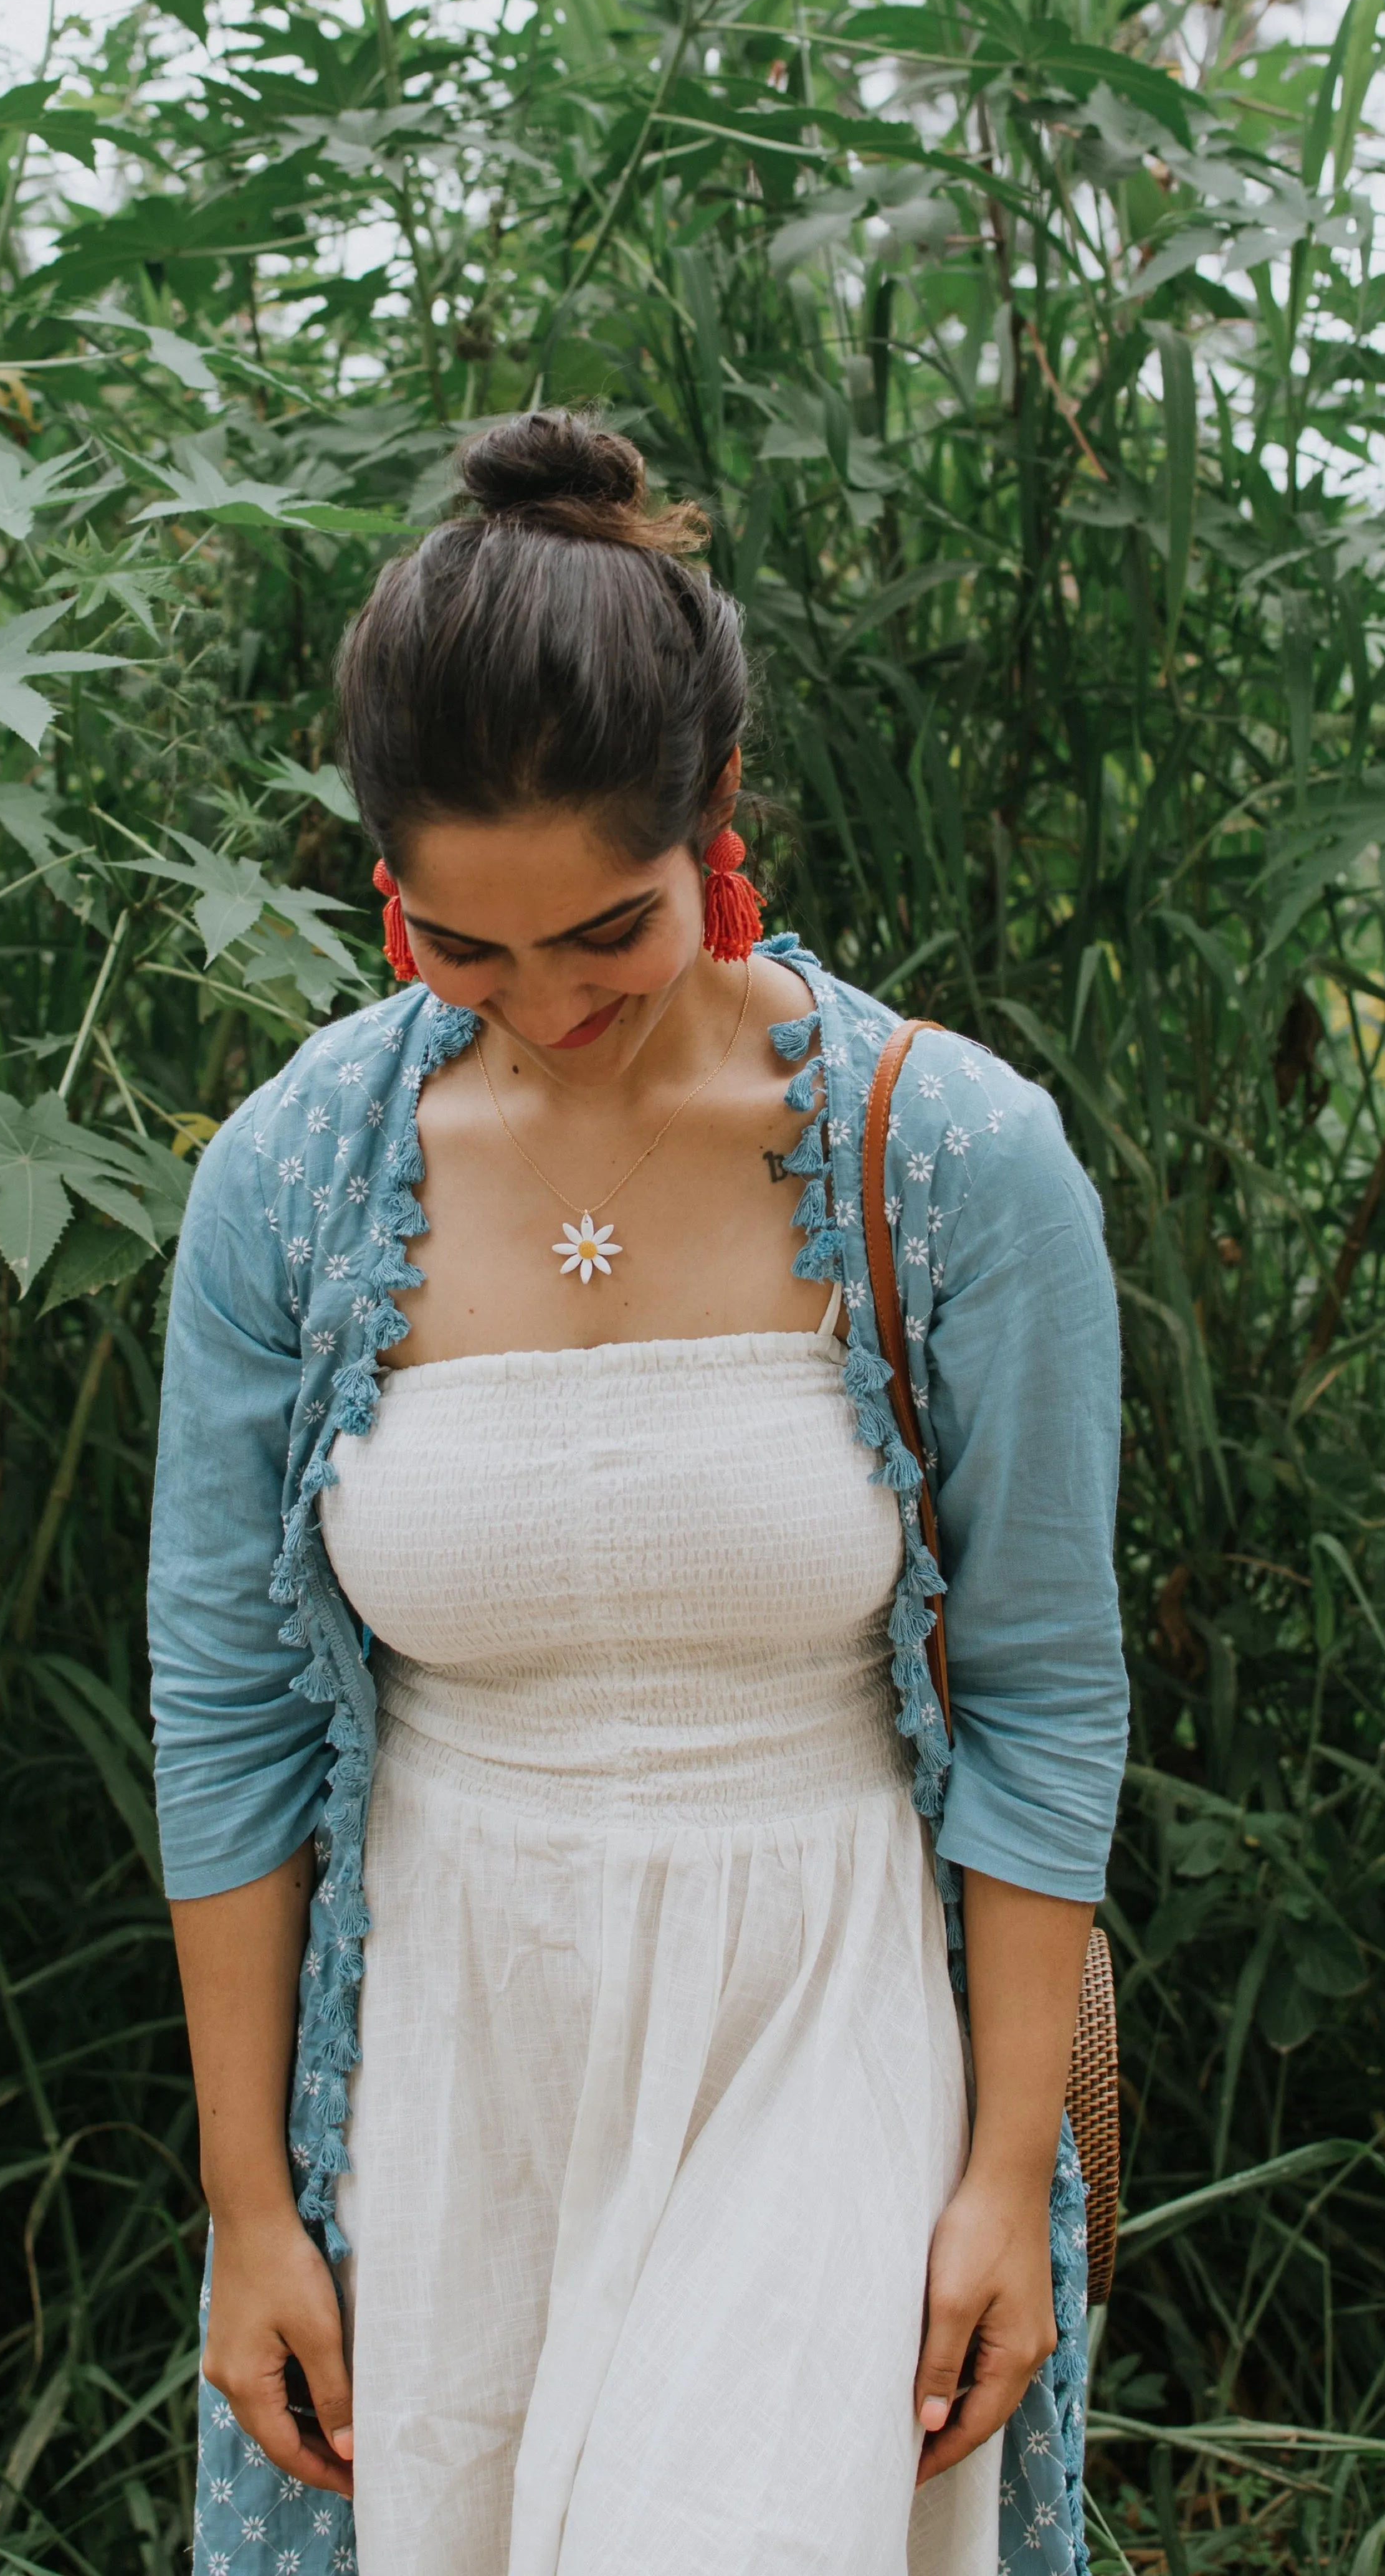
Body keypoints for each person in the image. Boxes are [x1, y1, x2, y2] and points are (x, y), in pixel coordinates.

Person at [148, 411, 1128, 2576]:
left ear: (719, 816)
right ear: (385, 880)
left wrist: (994, 2174)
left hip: (825, 2010)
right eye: (460, 951)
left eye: (609, 931)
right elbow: (219, 1714)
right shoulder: (295, 1188)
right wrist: (248, 2212)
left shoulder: (954, 1166)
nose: (548, 1009)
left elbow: (1048, 1694)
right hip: (448, 2046)